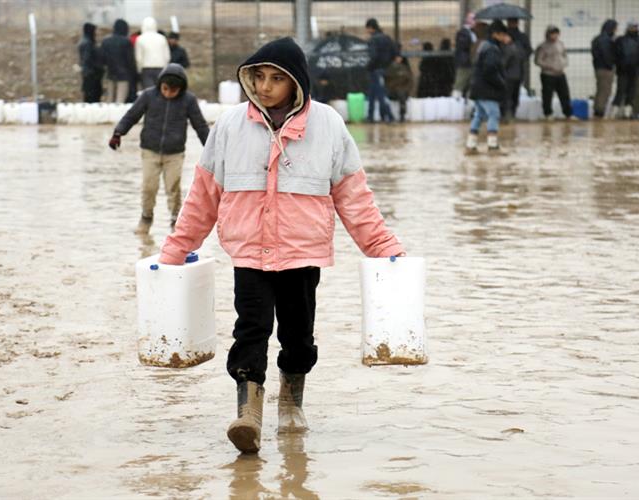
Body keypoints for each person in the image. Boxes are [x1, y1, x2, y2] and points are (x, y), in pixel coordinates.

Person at [157, 37, 405, 454]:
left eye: (277, 79)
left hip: (301, 253)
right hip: (249, 252)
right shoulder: (231, 126)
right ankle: (248, 413)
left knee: (298, 336)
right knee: (250, 330)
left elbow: (355, 199)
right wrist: (174, 251)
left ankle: (290, 403)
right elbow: (203, 197)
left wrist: (383, 247)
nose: (267, 86)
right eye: (259, 77)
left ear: (297, 84)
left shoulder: (327, 126)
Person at [108, 63, 209, 234]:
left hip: (175, 154)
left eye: (173, 90)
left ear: (181, 88)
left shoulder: (188, 100)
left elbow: (200, 125)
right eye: (165, 89)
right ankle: (146, 218)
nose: (168, 93)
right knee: (149, 187)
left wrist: (210, 148)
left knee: (173, 188)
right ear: (160, 84)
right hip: (150, 151)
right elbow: (132, 115)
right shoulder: (148, 96)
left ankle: (175, 221)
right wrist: (118, 133)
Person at [466, 20, 509, 153]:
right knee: (493, 114)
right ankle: (492, 145)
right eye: (502, 34)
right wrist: (501, 83)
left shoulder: (483, 46)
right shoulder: (492, 49)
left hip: (478, 88)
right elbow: (490, 70)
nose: (505, 37)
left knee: (478, 115)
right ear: (495, 34)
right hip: (488, 90)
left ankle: (471, 145)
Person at [535, 25, 573, 120]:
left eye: (556, 33)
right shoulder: (542, 46)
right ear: (548, 34)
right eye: (552, 33)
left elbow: (564, 56)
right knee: (547, 95)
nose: (555, 35)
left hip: (560, 73)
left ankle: (568, 114)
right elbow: (538, 60)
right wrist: (550, 66)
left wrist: (564, 64)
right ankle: (548, 114)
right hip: (548, 74)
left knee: (565, 94)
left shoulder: (561, 44)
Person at [365, 18, 397, 122]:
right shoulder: (387, 38)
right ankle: (372, 117)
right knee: (374, 93)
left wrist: (369, 67)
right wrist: (387, 64)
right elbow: (394, 53)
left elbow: (373, 56)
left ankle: (389, 116)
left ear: (370, 28)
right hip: (385, 70)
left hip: (375, 70)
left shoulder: (373, 40)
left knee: (379, 95)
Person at [101, 19, 137, 103]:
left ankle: (107, 115)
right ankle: (117, 116)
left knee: (109, 99)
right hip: (124, 75)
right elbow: (130, 60)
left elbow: (102, 59)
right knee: (120, 100)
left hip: (110, 73)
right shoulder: (126, 42)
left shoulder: (106, 41)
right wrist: (134, 75)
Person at [505, 18, 532, 118]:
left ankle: (512, 112)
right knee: (508, 93)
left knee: (515, 93)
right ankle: (507, 113)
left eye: (514, 22)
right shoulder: (504, 35)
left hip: (517, 69)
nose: (512, 23)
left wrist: (520, 56)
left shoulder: (522, 37)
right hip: (510, 70)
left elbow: (528, 51)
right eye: (510, 21)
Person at [613, 22, 639, 118]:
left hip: (632, 70)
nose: (634, 29)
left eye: (635, 27)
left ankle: (627, 112)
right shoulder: (621, 40)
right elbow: (615, 55)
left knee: (631, 92)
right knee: (621, 91)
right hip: (624, 70)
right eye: (632, 27)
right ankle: (615, 112)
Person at [591, 19, 618, 118]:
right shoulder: (606, 40)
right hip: (606, 68)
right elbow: (606, 54)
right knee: (605, 91)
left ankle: (597, 110)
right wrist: (610, 65)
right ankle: (600, 111)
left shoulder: (597, 38)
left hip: (599, 68)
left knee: (600, 89)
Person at [135, 17, 170, 90]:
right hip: (161, 68)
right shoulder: (162, 38)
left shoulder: (140, 38)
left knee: (149, 91)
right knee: (161, 90)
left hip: (146, 69)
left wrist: (139, 70)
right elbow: (167, 56)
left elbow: (138, 58)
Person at [77, 22, 104, 103]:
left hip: (89, 74)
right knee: (92, 96)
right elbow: (87, 59)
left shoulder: (86, 41)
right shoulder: (88, 43)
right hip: (91, 75)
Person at [385, 52, 414, 121]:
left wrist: (406, 89)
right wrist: (392, 87)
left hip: (403, 90)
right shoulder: (390, 68)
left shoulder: (405, 68)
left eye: (400, 58)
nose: (398, 59)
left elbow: (409, 81)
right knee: (400, 93)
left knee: (401, 93)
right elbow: (387, 81)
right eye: (397, 58)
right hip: (393, 90)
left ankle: (402, 114)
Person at [454, 12, 477, 97]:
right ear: (467, 20)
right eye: (473, 19)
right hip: (464, 63)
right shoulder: (463, 32)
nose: (475, 21)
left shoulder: (473, 32)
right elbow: (463, 46)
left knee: (471, 86)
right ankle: (456, 104)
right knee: (459, 85)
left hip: (471, 63)